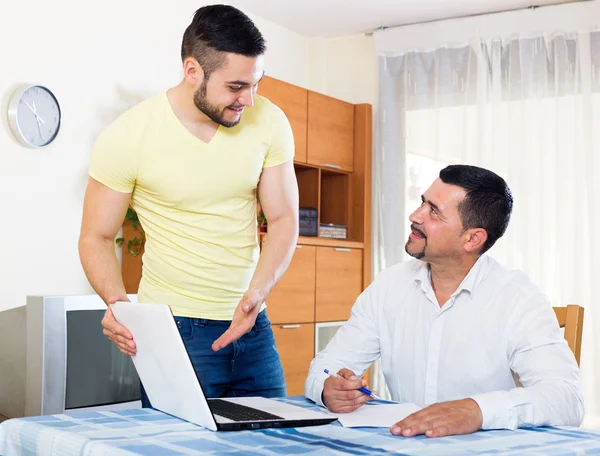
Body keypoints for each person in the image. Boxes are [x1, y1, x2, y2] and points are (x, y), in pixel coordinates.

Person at [79, 5, 299, 404]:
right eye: (235, 87)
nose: (249, 100)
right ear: (192, 70)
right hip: (176, 330)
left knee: (279, 445)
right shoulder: (128, 136)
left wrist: (256, 295)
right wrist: (117, 304)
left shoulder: (270, 121)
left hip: (253, 324)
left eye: (255, 84)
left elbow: (283, 218)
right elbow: (96, 236)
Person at [305, 164, 584, 437]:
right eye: (422, 203)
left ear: (473, 238)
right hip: (405, 444)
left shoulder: (518, 297)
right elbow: (328, 366)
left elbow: (566, 398)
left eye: (434, 212)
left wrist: (476, 410)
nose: (415, 215)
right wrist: (327, 388)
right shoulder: (389, 285)